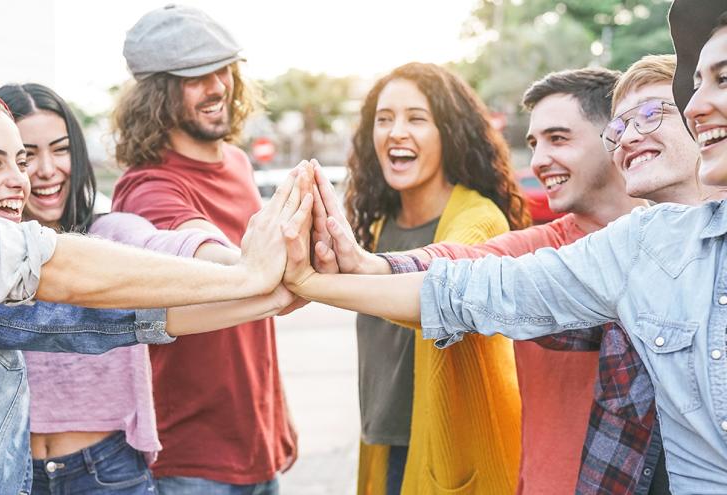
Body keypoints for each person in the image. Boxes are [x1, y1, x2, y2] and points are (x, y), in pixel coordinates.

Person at [0, 1, 300, 489]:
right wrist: (251, 278)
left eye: (34, 156)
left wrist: (266, 290)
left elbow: (148, 271)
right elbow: (61, 289)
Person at [280, 2, 727, 491]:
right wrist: (348, 271)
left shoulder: (629, 244)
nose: (539, 160)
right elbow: (475, 281)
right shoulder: (631, 251)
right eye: (618, 128)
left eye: (650, 114)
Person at [0, 82, 299, 494]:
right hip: (9, 471)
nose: (47, 169)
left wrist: (249, 269)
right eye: (27, 156)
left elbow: (168, 245)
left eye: (61, 149)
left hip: (108, 471)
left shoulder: (108, 233)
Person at [108, 6, 297, 492]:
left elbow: (248, 328)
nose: (218, 86)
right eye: (195, 77)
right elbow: (210, 253)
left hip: (256, 440)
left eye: (223, 69)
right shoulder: (148, 187)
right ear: (157, 95)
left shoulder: (236, 161)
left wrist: (275, 418)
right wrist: (266, 265)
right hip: (190, 459)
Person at [339, 62, 529, 495]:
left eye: (416, 118)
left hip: (452, 459)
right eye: (383, 119)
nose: (396, 132)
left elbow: (438, 276)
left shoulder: (478, 218)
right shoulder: (374, 226)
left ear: (449, 133)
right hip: (387, 446)